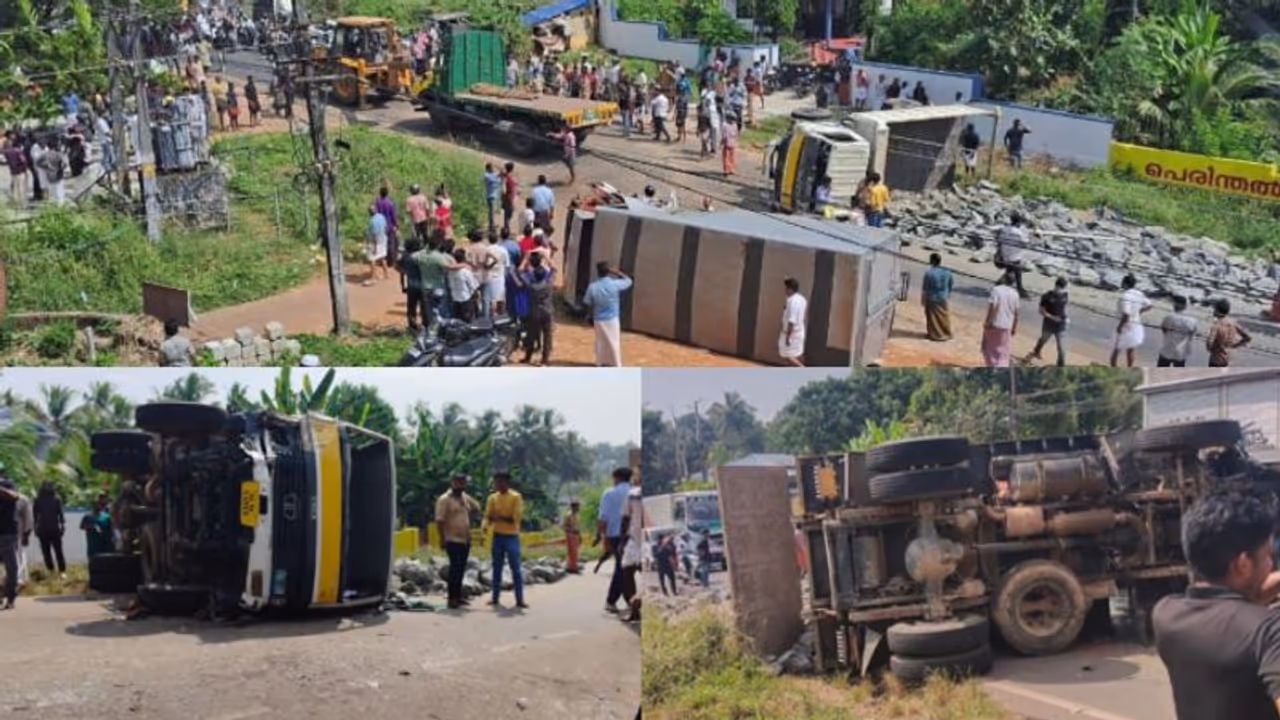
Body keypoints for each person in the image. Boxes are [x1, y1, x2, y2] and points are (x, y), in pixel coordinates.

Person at [1153, 487, 1280, 720]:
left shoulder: (1166, 613)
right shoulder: (1269, 631)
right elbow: (1247, 619)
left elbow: (1234, 610)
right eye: (1267, 556)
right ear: (1242, 564)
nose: (1271, 564)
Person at [481, 472, 527, 609]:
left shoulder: (516, 497)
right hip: (497, 535)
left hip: (512, 536)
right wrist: (484, 528)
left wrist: (498, 518)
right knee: (496, 567)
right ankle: (495, 598)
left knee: (515, 568)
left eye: (501, 482)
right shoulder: (492, 498)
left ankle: (520, 599)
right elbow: (487, 516)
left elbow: (515, 518)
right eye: (496, 482)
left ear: (507, 483)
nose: (498, 485)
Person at [435, 474, 480, 609]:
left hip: (465, 539)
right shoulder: (444, 499)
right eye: (458, 483)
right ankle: (452, 598)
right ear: (452, 483)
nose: (461, 485)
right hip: (451, 538)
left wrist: (469, 519)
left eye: (463, 483)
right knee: (455, 569)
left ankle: (458, 596)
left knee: (461, 568)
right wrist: (442, 538)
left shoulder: (464, 498)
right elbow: (439, 520)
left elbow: (477, 508)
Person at [583, 262, 633, 367]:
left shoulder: (593, 287)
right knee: (614, 342)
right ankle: (615, 363)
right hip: (612, 319)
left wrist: (589, 316)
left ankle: (600, 363)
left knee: (600, 342)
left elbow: (588, 303)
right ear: (608, 272)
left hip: (598, 319)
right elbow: (629, 281)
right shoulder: (615, 284)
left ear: (598, 272)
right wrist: (617, 272)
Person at [597, 468, 632, 614]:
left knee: (621, 568)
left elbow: (603, 518)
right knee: (628, 569)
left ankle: (613, 600)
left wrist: (602, 537)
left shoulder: (609, 493)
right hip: (632, 535)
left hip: (614, 536)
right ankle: (628, 599)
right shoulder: (635, 492)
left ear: (616, 477)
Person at [518, 252, 556, 365]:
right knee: (547, 335)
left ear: (534, 275)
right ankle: (545, 359)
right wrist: (546, 257)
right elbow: (554, 269)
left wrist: (526, 258)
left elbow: (520, 271)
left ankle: (528, 357)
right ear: (545, 275)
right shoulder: (548, 283)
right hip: (547, 311)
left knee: (531, 335)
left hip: (534, 312)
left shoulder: (530, 284)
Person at [1111, 274, 1152, 368]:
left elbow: (1126, 313)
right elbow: (1150, 305)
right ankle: (1130, 367)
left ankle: (1114, 367)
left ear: (1125, 283)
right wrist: (1139, 311)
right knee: (1131, 348)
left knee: (1117, 348)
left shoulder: (1126, 296)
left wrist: (1120, 326)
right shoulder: (1138, 294)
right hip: (1136, 323)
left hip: (1126, 324)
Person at [1027, 277, 1069, 366]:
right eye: (1060, 288)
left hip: (1061, 325)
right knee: (1043, 339)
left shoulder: (1065, 295)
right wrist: (1052, 317)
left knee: (1061, 348)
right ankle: (1036, 351)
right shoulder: (1046, 296)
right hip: (1048, 324)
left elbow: (1064, 308)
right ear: (1056, 286)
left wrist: (1066, 318)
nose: (1061, 291)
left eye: (1063, 289)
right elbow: (1041, 311)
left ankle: (1061, 366)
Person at [982, 271, 1021, 367]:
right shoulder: (1015, 294)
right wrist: (1014, 328)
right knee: (1003, 351)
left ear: (1003, 279)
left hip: (995, 324)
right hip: (1007, 326)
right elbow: (1016, 313)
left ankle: (992, 365)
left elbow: (994, 307)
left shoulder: (996, 290)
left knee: (988, 348)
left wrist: (988, 321)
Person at [619, 484, 643, 623]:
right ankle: (634, 610)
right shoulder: (632, 495)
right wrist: (623, 541)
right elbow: (625, 518)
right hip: (634, 540)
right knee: (627, 573)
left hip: (648, 540)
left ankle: (637, 606)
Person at [1206, 299, 1252, 367]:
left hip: (1216, 360)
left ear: (1217, 310)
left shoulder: (1217, 324)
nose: (1213, 310)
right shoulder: (1233, 323)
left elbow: (1209, 343)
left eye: (1215, 309)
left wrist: (1213, 349)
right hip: (1228, 358)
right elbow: (1247, 338)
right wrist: (1235, 345)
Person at [997, 213, 1031, 298]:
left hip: (1005, 255)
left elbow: (1000, 241)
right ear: (1018, 222)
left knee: (1010, 270)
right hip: (1014, 257)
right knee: (1017, 271)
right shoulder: (1018, 233)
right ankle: (1020, 290)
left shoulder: (1004, 229)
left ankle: (1001, 284)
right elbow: (1026, 243)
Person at [921, 253, 954, 342]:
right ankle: (946, 333)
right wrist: (948, 294)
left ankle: (935, 334)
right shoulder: (947, 272)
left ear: (931, 261)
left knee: (932, 317)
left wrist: (923, 300)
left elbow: (925, 289)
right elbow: (951, 285)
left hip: (932, 298)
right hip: (943, 297)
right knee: (944, 316)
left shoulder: (929, 273)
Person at [1158, 296, 1198, 367]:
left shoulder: (1169, 317)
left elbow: (1163, 329)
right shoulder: (1192, 320)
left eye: (1175, 303)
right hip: (1181, 352)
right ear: (1185, 306)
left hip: (1167, 349)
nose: (1174, 305)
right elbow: (1192, 334)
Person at [779, 277, 807, 367]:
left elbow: (792, 320)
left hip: (792, 333)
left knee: (788, 356)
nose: (785, 290)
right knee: (796, 355)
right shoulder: (802, 299)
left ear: (790, 289)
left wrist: (788, 336)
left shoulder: (792, 301)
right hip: (799, 331)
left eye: (786, 288)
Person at [0, 477, 19, 609]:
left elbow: (15, 496)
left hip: (8, 533)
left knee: (11, 568)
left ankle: (10, 597)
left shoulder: (9, 484)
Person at [447, 247, 479, 321]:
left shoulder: (450, 272)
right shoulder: (465, 271)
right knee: (467, 319)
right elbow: (472, 285)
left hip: (454, 297)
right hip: (465, 298)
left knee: (457, 319)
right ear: (464, 258)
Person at [2, 132, 30, 208]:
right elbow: (23, 161)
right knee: (21, 187)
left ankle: (15, 202)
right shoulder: (18, 151)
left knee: (15, 187)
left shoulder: (7, 152)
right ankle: (22, 203)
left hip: (13, 171)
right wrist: (25, 168)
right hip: (20, 171)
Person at [81, 493, 114, 557]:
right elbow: (82, 526)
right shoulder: (87, 516)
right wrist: (92, 527)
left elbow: (111, 527)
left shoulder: (106, 516)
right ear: (92, 506)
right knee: (93, 560)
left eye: (98, 505)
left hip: (105, 544)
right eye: (95, 505)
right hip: (93, 544)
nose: (97, 506)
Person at [374, 186, 400, 266]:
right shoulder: (390, 203)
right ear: (387, 194)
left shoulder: (377, 203)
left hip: (379, 225)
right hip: (389, 226)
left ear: (380, 193)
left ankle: (382, 260)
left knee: (381, 243)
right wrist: (396, 224)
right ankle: (391, 261)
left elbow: (375, 213)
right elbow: (393, 215)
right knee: (391, 243)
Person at [364, 206, 389, 286]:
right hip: (383, 240)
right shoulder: (382, 217)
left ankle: (373, 277)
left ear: (370, 212)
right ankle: (386, 274)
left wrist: (375, 247)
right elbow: (385, 228)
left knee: (372, 259)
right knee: (382, 257)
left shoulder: (372, 221)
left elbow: (374, 235)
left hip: (374, 242)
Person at [563, 499, 583, 574]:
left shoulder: (577, 516)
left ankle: (573, 566)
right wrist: (571, 530)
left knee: (576, 552)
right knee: (572, 552)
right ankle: (571, 567)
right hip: (570, 534)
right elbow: (565, 526)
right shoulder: (568, 515)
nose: (579, 508)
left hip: (576, 535)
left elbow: (578, 526)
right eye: (578, 507)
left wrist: (580, 535)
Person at [500, 162, 519, 233]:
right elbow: (503, 189)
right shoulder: (507, 177)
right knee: (508, 214)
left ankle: (506, 228)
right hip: (509, 198)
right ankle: (506, 229)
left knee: (508, 214)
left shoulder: (508, 176)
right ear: (512, 169)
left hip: (510, 198)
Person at [483, 162, 501, 233]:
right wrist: (499, 175)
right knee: (491, 212)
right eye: (492, 168)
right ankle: (491, 227)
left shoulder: (491, 174)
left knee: (492, 212)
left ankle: (492, 225)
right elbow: (496, 180)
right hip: (490, 196)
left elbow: (497, 176)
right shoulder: (486, 175)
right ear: (488, 168)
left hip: (493, 196)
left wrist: (500, 173)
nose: (493, 169)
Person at [720, 112, 739, 177]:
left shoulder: (725, 125)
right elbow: (736, 134)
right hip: (733, 143)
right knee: (732, 156)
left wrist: (722, 142)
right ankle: (732, 169)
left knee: (726, 157)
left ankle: (726, 170)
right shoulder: (735, 125)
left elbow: (724, 136)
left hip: (727, 143)